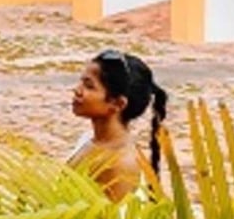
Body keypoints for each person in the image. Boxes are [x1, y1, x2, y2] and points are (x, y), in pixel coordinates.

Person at [68, 49, 168, 201]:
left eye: (89, 86)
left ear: (117, 104)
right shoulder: (88, 140)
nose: (77, 90)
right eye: (81, 82)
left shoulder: (121, 165)